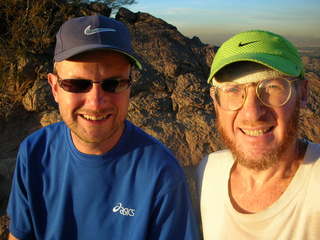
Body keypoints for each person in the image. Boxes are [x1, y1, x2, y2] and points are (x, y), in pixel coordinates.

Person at [7, 15, 199, 240]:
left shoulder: (161, 175)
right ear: (54, 88)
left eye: (113, 83)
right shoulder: (34, 153)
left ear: (129, 86)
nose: (96, 102)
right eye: (77, 84)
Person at [197, 30, 320, 239]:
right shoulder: (209, 172)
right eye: (233, 90)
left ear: (303, 93)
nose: (252, 113)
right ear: (216, 101)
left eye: (272, 86)